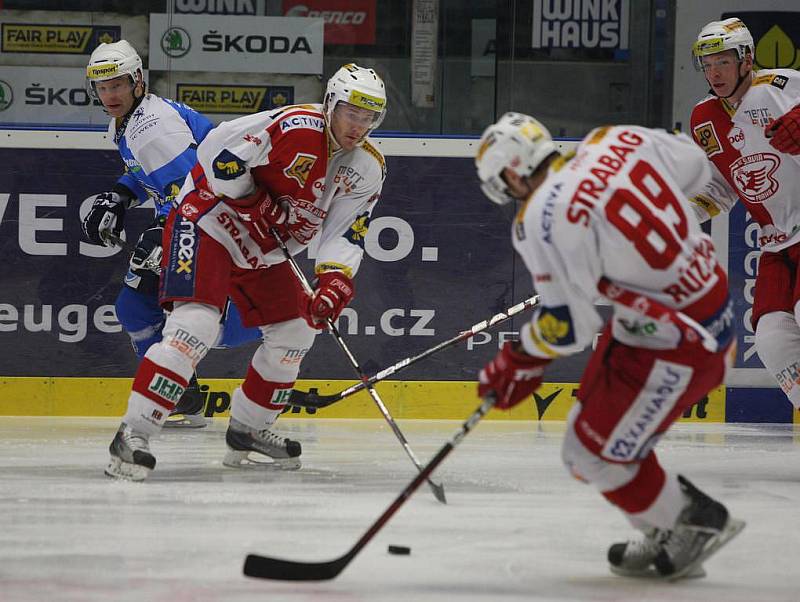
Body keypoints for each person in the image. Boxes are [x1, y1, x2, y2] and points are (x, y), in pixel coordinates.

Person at [474, 112, 745, 580]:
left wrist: (518, 359)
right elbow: (699, 166)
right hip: (700, 307)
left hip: (679, 339)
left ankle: (691, 521)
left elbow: (570, 325)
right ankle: (667, 527)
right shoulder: (614, 138)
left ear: (514, 173)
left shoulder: (538, 216)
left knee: (591, 453)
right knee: (592, 431)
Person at [104, 63, 387, 481]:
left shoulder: (367, 168)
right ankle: (134, 433)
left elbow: (344, 233)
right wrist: (252, 198)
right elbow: (218, 152)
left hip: (265, 247)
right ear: (330, 104)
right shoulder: (294, 126)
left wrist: (333, 281)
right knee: (195, 324)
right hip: (208, 220)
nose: (358, 125)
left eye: (369, 117)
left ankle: (248, 430)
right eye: (351, 112)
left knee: (296, 329)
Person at [81, 40, 262, 427]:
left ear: (137, 82)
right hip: (199, 215)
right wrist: (119, 194)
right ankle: (186, 396)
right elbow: (148, 171)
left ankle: (279, 321)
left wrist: (168, 231)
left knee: (156, 311)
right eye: (102, 87)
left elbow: (193, 190)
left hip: (204, 218)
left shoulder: (151, 127)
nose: (110, 94)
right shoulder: (134, 117)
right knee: (143, 307)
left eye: (117, 84)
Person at [689, 17, 800, 410]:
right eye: (706, 64)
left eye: (721, 61)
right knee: (771, 336)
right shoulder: (703, 119)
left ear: (746, 58)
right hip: (777, 243)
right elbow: (721, 188)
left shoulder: (782, 86)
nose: (713, 72)